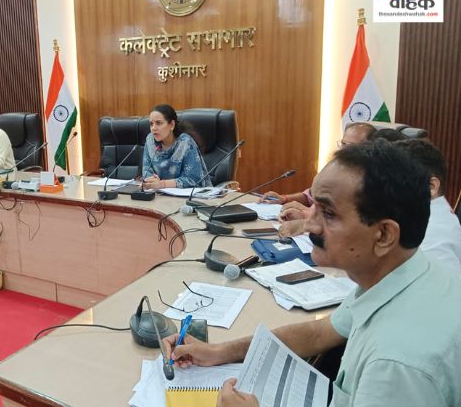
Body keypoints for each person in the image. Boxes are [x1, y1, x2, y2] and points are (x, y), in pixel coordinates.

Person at [163, 140, 461, 407]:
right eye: (314, 206)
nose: (310, 224)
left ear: (383, 235)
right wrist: (218, 351)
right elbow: (319, 333)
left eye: (328, 213)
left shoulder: (395, 364)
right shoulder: (401, 273)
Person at [395, 139, 461, 273]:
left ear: (431, 187)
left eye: (396, 182)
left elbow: (441, 285)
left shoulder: (432, 235)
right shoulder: (427, 218)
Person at [141, 104, 210, 189]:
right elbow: (147, 172)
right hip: (158, 194)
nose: (153, 128)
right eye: (151, 124)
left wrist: (162, 184)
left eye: (158, 123)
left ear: (172, 125)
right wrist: (150, 183)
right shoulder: (150, 141)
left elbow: (194, 180)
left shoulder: (185, 142)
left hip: (188, 195)